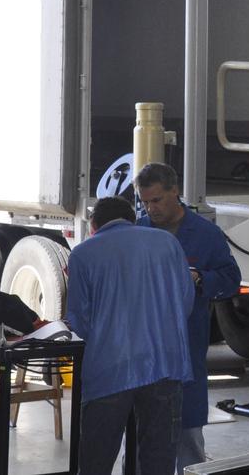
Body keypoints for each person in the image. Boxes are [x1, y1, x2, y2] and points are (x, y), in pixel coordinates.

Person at [66, 195, 194, 475]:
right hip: (165, 364)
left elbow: (78, 319)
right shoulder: (168, 243)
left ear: (94, 226)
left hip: (110, 369)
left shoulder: (83, 253)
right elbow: (185, 300)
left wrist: (106, 335)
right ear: (132, 220)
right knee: (158, 460)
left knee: (97, 461)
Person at [136, 162, 242, 475]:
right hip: (144, 350)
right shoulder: (138, 232)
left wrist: (201, 279)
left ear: (175, 191)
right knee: (142, 437)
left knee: (188, 436)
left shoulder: (206, 235)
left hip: (187, 347)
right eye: (145, 202)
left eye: (157, 200)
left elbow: (231, 279)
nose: (151, 209)